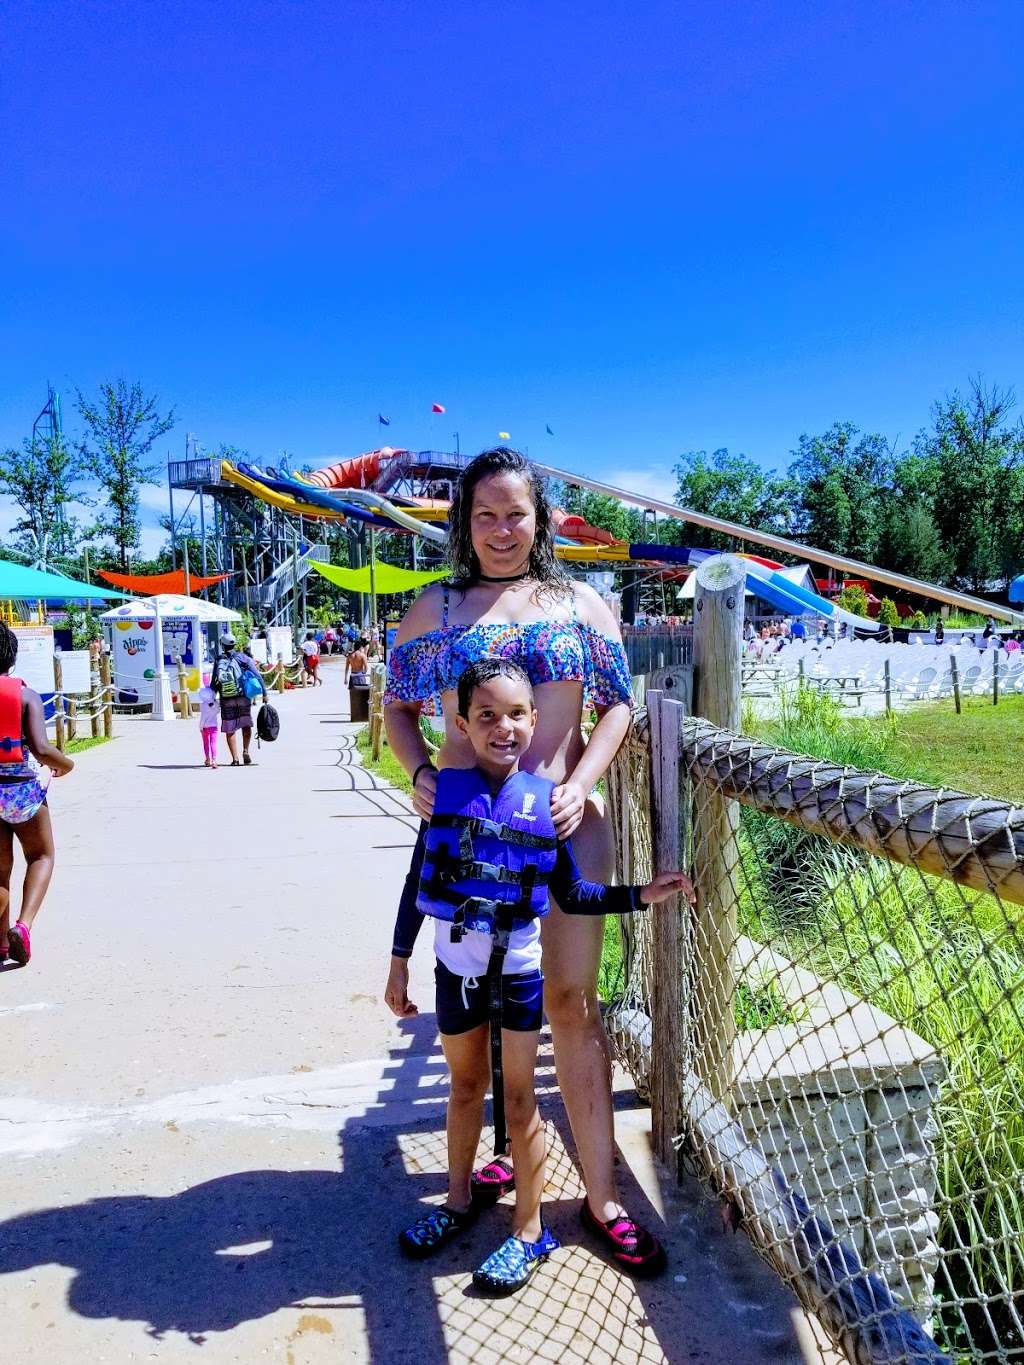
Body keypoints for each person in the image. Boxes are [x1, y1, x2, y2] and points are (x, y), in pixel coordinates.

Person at [383, 446, 668, 1274]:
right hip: (468, 845)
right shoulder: (431, 609)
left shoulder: (581, 603)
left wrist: (581, 781)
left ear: (540, 519)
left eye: (516, 513)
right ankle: (482, 1177)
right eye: (485, 514)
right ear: (462, 522)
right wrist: (422, 772)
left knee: (572, 1004)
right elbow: (400, 709)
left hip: (564, 826)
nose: (502, 530)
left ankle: (603, 1197)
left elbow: (616, 704)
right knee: (483, 1001)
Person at [388, 660, 692, 1292]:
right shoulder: (443, 796)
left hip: (518, 969)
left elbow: (575, 896)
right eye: (487, 716)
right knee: (465, 1086)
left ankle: (530, 1228)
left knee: (522, 1098)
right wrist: (397, 965)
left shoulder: (543, 808)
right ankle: (456, 1201)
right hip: (456, 966)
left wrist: (643, 895)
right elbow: (418, 884)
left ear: (537, 720)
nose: (504, 728)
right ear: (462, 725)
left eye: (518, 715)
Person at [0, 622, 74, 966]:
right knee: (41, 857)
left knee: (0, 871)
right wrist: (66, 764)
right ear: (12, 658)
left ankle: (1, 943)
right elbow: (42, 749)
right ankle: (23, 926)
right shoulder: (24, 695)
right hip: (22, 792)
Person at [211, 633, 267, 767]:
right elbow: (257, 675)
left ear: (222, 645)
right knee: (245, 724)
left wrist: (212, 697)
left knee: (230, 728)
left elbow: (214, 681)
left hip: (226, 697)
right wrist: (264, 693)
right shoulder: (243, 658)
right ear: (234, 644)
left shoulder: (219, 659)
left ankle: (235, 758)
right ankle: (245, 751)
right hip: (243, 696)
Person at [197, 677, 220, 768]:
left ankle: (207, 759)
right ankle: (214, 760)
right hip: (214, 726)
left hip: (205, 727)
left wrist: (200, 727)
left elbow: (203, 717)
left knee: (206, 743)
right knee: (213, 743)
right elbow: (218, 710)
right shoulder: (215, 704)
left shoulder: (203, 705)